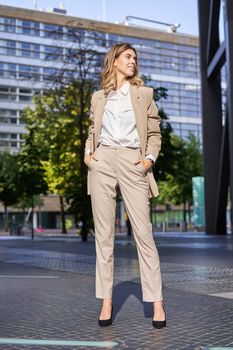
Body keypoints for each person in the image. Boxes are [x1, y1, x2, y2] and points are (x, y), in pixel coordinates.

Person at [84, 43, 166, 329]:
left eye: (135, 58)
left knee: (144, 234)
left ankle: (157, 303)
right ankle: (106, 301)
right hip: (103, 161)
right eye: (128, 57)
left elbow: (155, 133)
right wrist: (88, 156)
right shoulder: (98, 97)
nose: (133, 61)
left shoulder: (144, 94)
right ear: (114, 61)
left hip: (133, 161)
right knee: (103, 236)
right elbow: (94, 130)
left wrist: (147, 161)